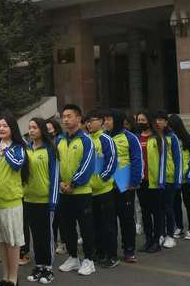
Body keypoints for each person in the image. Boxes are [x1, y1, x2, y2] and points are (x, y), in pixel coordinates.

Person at [0, 113, 28, 286]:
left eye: (5, 126)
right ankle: (5, 275)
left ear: (12, 128)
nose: (1, 129)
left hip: (11, 203)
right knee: (0, 242)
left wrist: (6, 150)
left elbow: (17, 164)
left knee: (12, 242)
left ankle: (13, 278)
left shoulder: (18, 147)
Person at [56, 104, 97, 276]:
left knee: (86, 227)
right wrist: (60, 182)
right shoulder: (59, 140)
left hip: (81, 192)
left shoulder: (86, 140)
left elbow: (87, 165)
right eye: (64, 116)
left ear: (79, 118)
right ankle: (73, 257)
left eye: (69, 116)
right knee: (67, 227)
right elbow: (55, 164)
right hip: (63, 192)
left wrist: (73, 184)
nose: (65, 119)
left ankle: (89, 260)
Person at [103, 109, 143, 263]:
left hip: (125, 186)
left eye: (109, 119)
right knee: (109, 220)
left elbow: (137, 160)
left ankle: (129, 249)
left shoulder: (130, 137)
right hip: (107, 186)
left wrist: (134, 181)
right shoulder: (103, 137)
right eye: (105, 119)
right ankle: (111, 252)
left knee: (127, 219)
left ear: (118, 121)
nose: (106, 122)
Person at [24, 117, 59, 284]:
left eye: (35, 128)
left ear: (42, 130)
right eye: (30, 127)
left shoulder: (50, 149)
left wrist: (53, 201)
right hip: (29, 199)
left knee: (47, 236)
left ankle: (48, 268)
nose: (31, 130)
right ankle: (39, 266)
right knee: (36, 235)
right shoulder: (26, 149)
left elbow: (55, 175)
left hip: (45, 200)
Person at [84, 110, 119, 269]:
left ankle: (112, 256)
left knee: (108, 225)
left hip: (104, 190)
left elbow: (111, 163)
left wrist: (99, 180)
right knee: (94, 224)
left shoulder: (106, 139)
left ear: (101, 121)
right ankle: (99, 252)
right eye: (87, 121)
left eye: (92, 120)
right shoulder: (87, 139)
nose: (89, 124)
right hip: (88, 191)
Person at [136, 111, 166, 253]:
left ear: (149, 121)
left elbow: (163, 160)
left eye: (143, 120)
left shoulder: (158, 138)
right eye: (138, 120)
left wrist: (161, 180)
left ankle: (156, 240)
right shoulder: (136, 138)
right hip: (141, 181)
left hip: (155, 182)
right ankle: (148, 240)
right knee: (145, 212)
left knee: (157, 212)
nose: (140, 122)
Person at [168, 114, 190, 240]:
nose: (169, 128)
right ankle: (179, 227)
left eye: (171, 126)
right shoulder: (169, 139)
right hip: (174, 177)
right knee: (175, 203)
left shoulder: (188, 140)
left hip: (186, 178)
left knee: (188, 202)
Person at [156, 111, 181, 249]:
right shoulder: (152, 137)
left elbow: (178, 159)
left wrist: (177, 180)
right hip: (154, 179)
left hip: (169, 179)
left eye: (161, 120)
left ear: (166, 122)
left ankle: (170, 235)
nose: (158, 122)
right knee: (158, 209)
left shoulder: (172, 137)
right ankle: (160, 233)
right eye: (156, 120)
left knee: (168, 208)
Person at [46, 118, 66, 255]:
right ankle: (52, 241)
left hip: (61, 183)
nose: (48, 131)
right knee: (52, 217)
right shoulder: (44, 143)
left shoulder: (60, 140)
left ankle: (63, 242)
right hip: (49, 183)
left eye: (50, 128)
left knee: (61, 216)